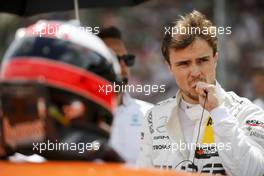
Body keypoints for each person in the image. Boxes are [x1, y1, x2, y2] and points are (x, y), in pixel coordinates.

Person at [137, 10, 264, 176]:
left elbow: (254, 172)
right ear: (169, 68)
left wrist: (218, 113)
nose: (195, 72)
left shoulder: (247, 112)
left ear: (215, 59)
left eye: (202, 60)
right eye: (184, 64)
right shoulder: (154, 117)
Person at [98, 27, 153, 164]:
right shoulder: (76, 115)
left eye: (127, 59)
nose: (123, 66)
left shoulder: (152, 115)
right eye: (115, 59)